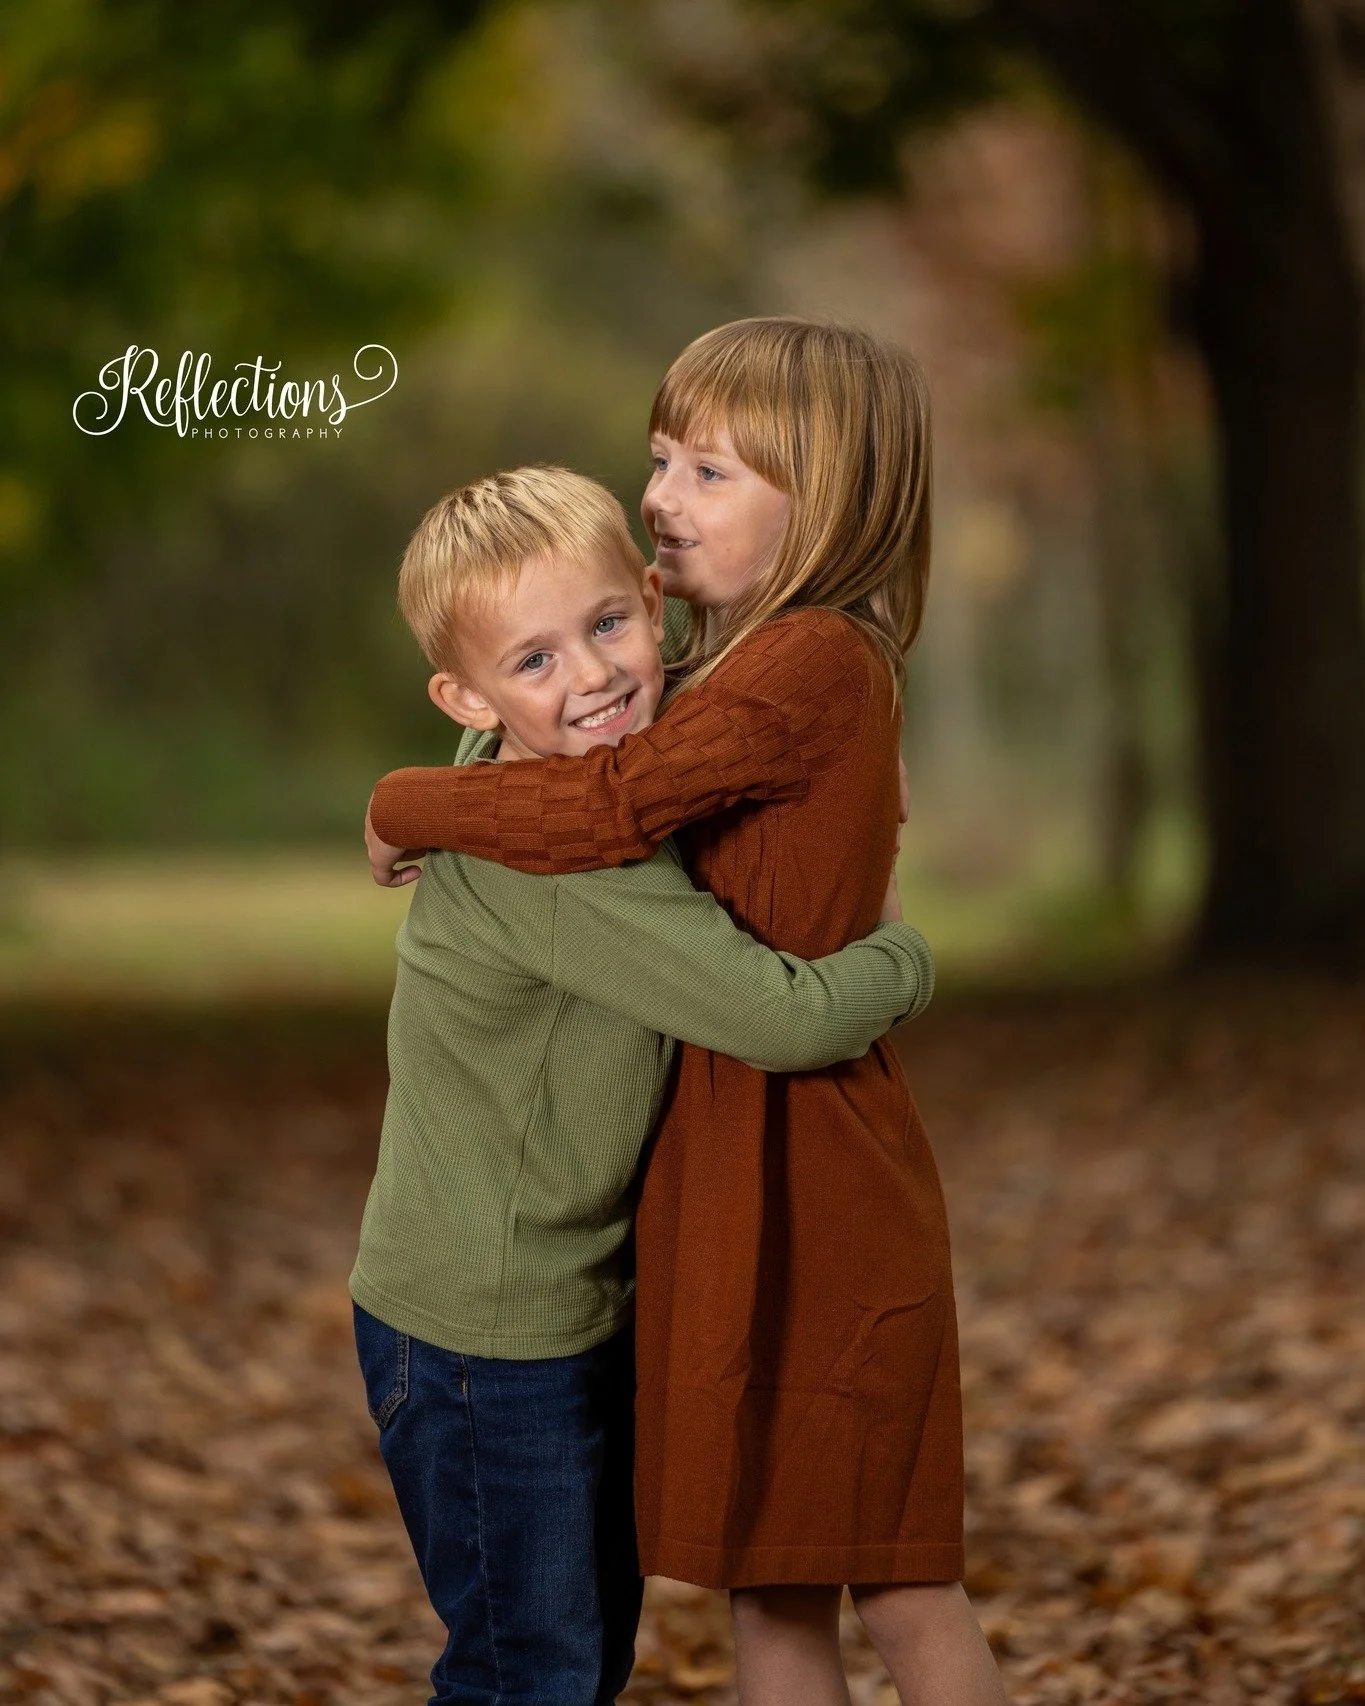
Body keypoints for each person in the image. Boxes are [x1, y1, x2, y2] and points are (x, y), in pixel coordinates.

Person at [365, 320, 1009, 1706]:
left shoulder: (797, 667)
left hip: (773, 1180)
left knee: (853, 1570)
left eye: (708, 470)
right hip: (620, 1237)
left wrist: (408, 797)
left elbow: (614, 802)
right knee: (703, 1605)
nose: (663, 497)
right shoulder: (678, 726)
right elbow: (608, 803)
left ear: (823, 493)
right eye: (661, 460)